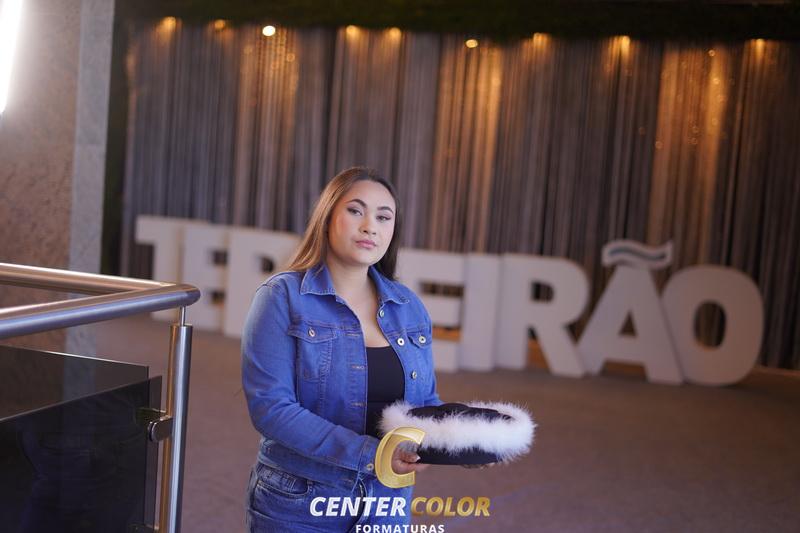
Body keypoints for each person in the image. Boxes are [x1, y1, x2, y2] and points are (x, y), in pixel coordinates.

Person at [241, 166, 442, 532]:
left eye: (383, 217)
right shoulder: (281, 297)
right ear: (327, 216)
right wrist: (373, 454)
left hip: (387, 502)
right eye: (355, 211)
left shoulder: (408, 307)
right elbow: (271, 408)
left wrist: (462, 441)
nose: (370, 227)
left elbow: (425, 401)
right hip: (301, 501)